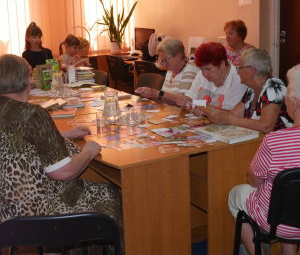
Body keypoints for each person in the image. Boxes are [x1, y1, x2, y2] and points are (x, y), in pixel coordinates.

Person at [0, 55, 124, 252]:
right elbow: (64, 172)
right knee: (109, 192)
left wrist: (61, 134)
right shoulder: (33, 113)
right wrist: (89, 150)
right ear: (27, 83)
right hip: (37, 214)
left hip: (4, 212)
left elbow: (18, 143)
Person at [228, 64, 300, 255]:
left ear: (296, 102)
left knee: (235, 195)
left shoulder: (275, 140)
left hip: (276, 222)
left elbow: (254, 180)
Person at [191, 49, 293, 134]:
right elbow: (234, 114)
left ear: (251, 71)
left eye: (239, 68)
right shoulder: (251, 90)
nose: (237, 71)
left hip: (281, 149)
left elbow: (265, 126)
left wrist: (227, 119)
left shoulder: (274, 86)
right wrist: (206, 108)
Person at [176, 42, 247, 110]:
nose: (204, 74)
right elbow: (190, 99)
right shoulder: (202, 74)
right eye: (201, 69)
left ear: (222, 64)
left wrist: (206, 111)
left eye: (208, 69)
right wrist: (183, 101)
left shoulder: (238, 80)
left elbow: (235, 115)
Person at [135, 37, 200, 106]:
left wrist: (155, 93)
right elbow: (164, 101)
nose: (163, 64)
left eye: (165, 60)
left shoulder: (190, 70)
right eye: (161, 61)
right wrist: (151, 95)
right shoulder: (170, 71)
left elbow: (183, 102)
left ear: (178, 57)